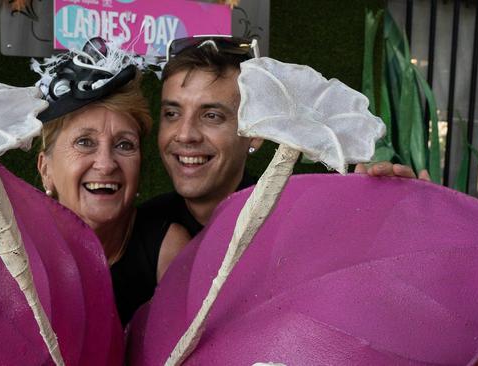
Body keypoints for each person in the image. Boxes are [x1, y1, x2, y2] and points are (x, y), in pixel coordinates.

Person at [142, 36, 430, 239]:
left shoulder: (300, 225)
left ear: (256, 135)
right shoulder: (141, 229)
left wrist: (391, 226)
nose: (185, 133)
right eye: (172, 113)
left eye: (212, 115)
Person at [34, 38, 190, 325]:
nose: (106, 164)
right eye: (84, 142)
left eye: (125, 145)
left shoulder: (167, 250)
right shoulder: (18, 252)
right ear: (46, 169)